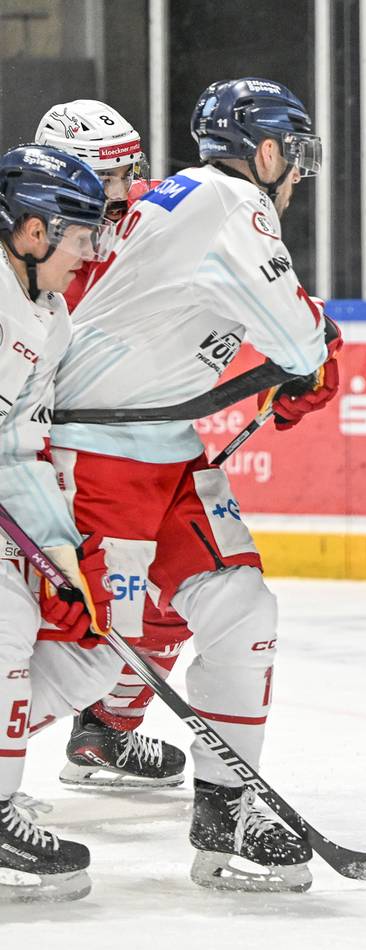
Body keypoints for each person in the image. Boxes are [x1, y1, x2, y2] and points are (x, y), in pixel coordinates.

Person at [49, 77, 341, 893]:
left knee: (242, 610)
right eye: (295, 154)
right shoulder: (230, 203)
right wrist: (313, 344)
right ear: (271, 151)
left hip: (164, 453)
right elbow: (293, 331)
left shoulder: (188, 204)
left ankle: (227, 814)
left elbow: (241, 311)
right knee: (81, 662)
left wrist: (300, 346)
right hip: (99, 459)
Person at [34, 98, 189, 790]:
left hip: (143, 445)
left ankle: (105, 733)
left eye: (134, 170)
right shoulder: (31, 243)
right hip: (57, 455)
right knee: (69, 630)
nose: (128, 191)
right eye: (110, 179)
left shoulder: (152, 210)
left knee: (172, 603)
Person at [0, 143, 121, 902]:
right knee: (7, 629)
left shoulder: (53, 316)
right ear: (35, 232)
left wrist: (59, 552)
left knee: (94, 656)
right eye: (81, 234)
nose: (91, 251)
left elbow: (20, 446)